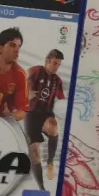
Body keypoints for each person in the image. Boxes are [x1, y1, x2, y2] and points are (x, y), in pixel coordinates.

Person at [25, 49, 65, 188]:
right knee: (35, 154)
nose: (56, 67)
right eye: (55, 63)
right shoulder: (34, 71)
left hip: (45, 114)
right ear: (47, 61)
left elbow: (62, 100)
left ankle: (50, 161)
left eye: (59, 64)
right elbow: (21, 88)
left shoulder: (57, 80)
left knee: (53, 126)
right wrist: (27, 94)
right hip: (30, 116)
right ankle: (41, 187)